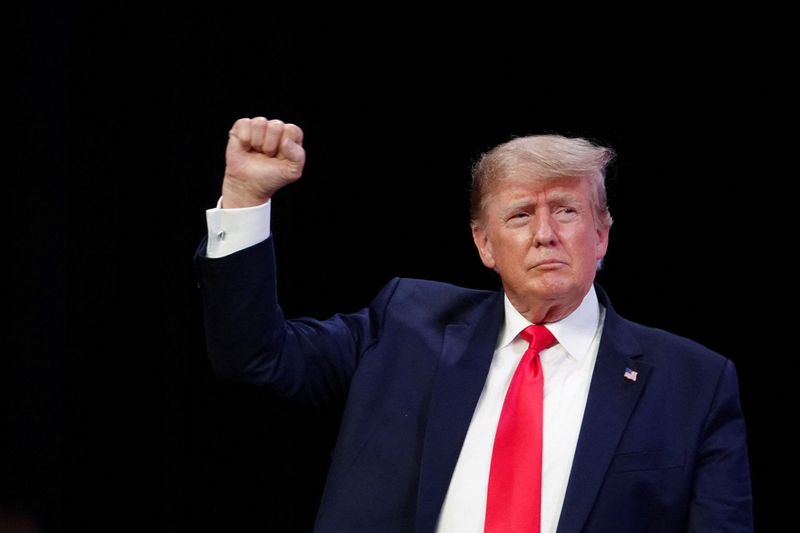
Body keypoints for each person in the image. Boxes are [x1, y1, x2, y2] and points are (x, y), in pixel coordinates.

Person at [194, 117, 753, 532]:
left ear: (602, 233)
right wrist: (245, 198)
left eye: (565, 210)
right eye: (519, 215)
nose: (545, 234)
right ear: (484, 245)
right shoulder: (405, 323)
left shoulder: (694, 384)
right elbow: (257, 360)